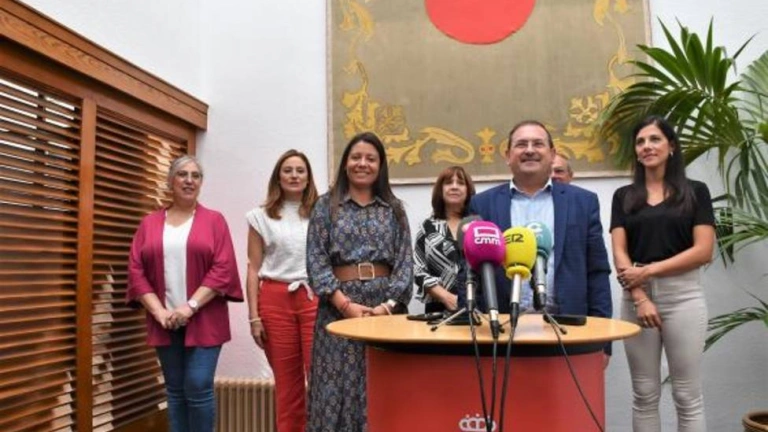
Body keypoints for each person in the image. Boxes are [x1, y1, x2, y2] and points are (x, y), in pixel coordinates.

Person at [469, 120, 613, 360]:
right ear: (508, 156)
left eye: (538, 143)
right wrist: (473, 334)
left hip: (568, 329)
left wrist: (603, 342)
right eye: (521, 144)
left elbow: (597, 271)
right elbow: (470, 273)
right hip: (501, 331)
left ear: (552, 154)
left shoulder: (583, 202)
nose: (529, 150)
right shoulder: (483, 204)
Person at [610, 115, 715, 432]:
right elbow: (620, 252)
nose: (646, 146)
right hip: (635, 299)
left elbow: (703, 250)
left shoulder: (696, 192)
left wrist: (649, 271)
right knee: (644, 394)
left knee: (686, 395)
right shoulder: (624, 196)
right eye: (640, 141)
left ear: (672, 146)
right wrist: (640, 297)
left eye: (654, 139)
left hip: (683, 297)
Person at [305, 131, 413, 432]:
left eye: (370, 158)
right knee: (334, 389)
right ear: (345, 163)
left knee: (379, 384)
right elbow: (316, 260)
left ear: (380, 165)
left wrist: (386, 307)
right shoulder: (326, 206)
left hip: (384, 315)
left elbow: (405, 262)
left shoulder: (394, 209)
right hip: (336, 312)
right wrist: (345, 305)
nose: (362, 163)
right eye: (356, 157)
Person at [127, 155, 243, 432]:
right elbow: (136, 271)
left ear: (201, 183)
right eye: (182, 174)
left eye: (196, 175)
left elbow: (223, 268)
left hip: (205, 319)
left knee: (198, 386)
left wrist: (189, 306)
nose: (189, 180)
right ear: (170, 181)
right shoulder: (149, 223)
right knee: (175, 390)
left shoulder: (214, 221)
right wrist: (159, 312)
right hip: (164, 321)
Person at [245, 149, 319, 432]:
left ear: (308, 178)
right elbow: (253, 268)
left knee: (320, 379)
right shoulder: (260, 216)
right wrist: (254, 317)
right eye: (288, 170)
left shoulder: (321, 212)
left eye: (300, 170)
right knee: (287, 387)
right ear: (278, 176)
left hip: (314, 299)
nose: (294, 176)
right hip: (275, 302)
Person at [414, 166, 476, 313]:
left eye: (460, 183)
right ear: (440, 190)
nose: (454, 187)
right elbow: (417, 270)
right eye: (448, 183)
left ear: (468, 190)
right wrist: (446, 297)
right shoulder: (427, 227)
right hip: (438, 309)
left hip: (476, 307)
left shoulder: (478, 225)